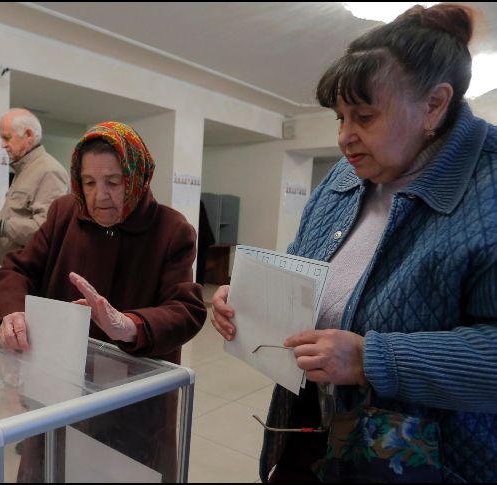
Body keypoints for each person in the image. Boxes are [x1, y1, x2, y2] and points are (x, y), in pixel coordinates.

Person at [210, 4, 497, 482]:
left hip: (421, 460)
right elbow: (305, 273)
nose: (345, 138)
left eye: (364, 116)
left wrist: (372, 359)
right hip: (314, 431)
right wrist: (247, 301)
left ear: (434, 104)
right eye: (340, 118)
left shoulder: (488, 189)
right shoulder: (346, 176)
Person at [0, 121, 206, 481]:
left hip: (132, 399)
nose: (98, 196)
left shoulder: (171, 230)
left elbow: (186, 309)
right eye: (88, 182)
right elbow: (17, 269)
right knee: (49, 468)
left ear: (137, 178)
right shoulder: (63, 214)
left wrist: (130, 324)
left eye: (114, 182)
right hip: (58, 384)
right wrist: (12, 311)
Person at [0, 108, 69, 265]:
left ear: (28, 135)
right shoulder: (24, 168)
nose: (3, 145)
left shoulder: (49, 171)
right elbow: (20, 220)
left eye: (7, 138)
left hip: (31, 272)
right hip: (14, 268)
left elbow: (45, 229)